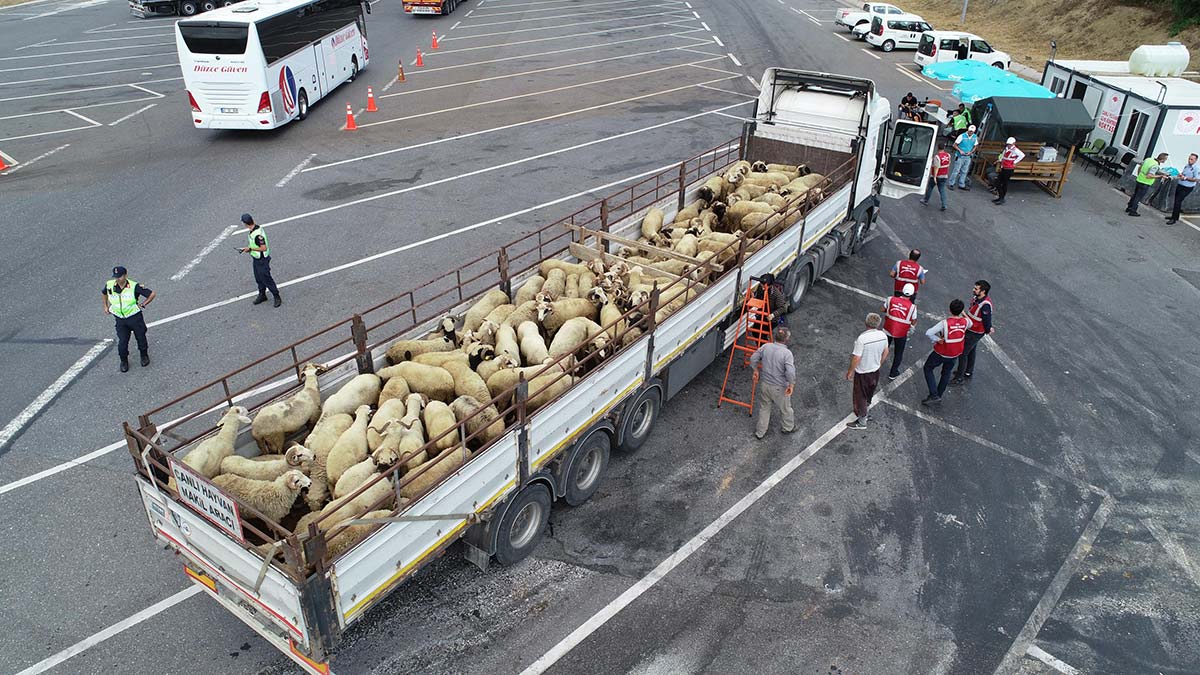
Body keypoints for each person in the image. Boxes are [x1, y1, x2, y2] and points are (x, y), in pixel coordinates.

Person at [103, 266, 156, 373]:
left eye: (120, 276)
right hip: (120, 319)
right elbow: (104, 293)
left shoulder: (134, 286)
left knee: (140, 337)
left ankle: (144, 355)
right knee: (122, 342)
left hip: (134, 317)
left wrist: (143, 304)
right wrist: (105, 306)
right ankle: (123, 361)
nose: (118, 279)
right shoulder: (110, 285)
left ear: (126, 275)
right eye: (116, 277)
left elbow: (151, 294)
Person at [750, 327, 796, 440]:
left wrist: (755, 370)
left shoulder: (766, 347)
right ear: (786, 339)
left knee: (764, 408)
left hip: (765, 384)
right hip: (779, 388)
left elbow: (753, 358)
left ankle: (760, 432)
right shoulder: (787, 353)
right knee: (785, 409)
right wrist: (791, 385)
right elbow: (790, 372)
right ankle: (788, 427)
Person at [845, 313, 889, 430]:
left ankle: (862, 421)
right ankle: (865, 410)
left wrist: (850, 371)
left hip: (863, 373)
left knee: (860, 396)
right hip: (875, 371)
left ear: (866, 323)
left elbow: (856, 358)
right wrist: (879, 363)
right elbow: (886, 351)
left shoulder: (862, 339)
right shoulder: (883, 335)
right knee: (869, 393)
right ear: (878, 324)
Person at [921, 298, 967, 405]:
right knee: (946, 373)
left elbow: (929, 333)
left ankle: (934, 394)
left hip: (942, 352)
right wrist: (964, 314)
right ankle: (939, 395)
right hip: (955, 353)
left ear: (950, 310)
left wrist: (938, 339)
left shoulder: (945, 323)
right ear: (961, 311)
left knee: (928, 368)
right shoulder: (965, 322)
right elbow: (970, 322)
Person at [952, 280, 993, 385]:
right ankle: (968, 371)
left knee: (963, 353)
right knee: (972, 350)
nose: (973, 290)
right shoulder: (977, 299)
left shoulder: (985, 305)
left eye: (976, 289)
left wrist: (988, 330)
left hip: (975, 332)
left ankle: (959, 377)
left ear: (983, 291)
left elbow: (987, 320)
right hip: (972, 329)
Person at [239, 214, 282, 307]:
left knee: (266, 278)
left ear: (246, 224)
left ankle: (276, 295)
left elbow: (264, 248)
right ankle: (262, 295)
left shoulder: (257, 235)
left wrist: (250, 249)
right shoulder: (254, 228)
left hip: (262, 260)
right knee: (258, 278)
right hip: (256, 258)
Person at [882, 283, 917, 380]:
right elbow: (913, 321)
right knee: (898, 353)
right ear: (912, 294)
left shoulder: (890, 299)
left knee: (882, 349)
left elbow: (882, 309)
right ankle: (893, 372)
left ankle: (875, 367)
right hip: (901, 333)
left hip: (887, 329)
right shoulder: (913, 307)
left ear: (902, 291)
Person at [1126, 152, 1168, 217]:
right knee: (1138, 197)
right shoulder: (1155, 165)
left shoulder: (1148, 159)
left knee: (1135, 194)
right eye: (1165, 159)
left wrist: (1139, 174)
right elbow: (1149, 176)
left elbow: (1140, 167)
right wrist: (1161, 176)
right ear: (1163, 159)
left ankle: (1129, 207)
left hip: (1139, 179)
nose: (1165, 161)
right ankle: (1133, 210)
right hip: (1145, 183)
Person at [992, 137, 1025, 206]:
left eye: (1010, 144)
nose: (1008, 145)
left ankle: (1002, 198)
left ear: (1013, 143)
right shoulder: (1007, 148)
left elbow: (1022, 155)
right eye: (1008, 144)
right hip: (1004, 167)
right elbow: (1003, 156)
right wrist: (999, 160)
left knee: (1004, 183)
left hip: (1009, 168)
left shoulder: (1015, 150)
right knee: (998, 182)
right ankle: (1000, 197)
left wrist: (1014, 162)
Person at [920, 143, 952, 211]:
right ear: (944, 148)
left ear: (938, 148)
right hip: (944, 176)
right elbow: (948, 164)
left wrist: (934, 177)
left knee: (930, 187)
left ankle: (926, 200)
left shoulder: (937, 157)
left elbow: (936, 167)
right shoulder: (948, 155)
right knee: (942, 190)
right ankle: (944, 204)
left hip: (937, 176)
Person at [1166, 153, 1196, 225]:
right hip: (1180, 185)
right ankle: (1175, 216)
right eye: (1189, 158)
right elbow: (1183, 173)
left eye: (1191, 159)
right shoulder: (1187, 166)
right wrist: (1181, 175)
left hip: (1187, 187)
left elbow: (1196, 179)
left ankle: (1173, 219)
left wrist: (1185, 178)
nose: (1189, 160)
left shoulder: (1196, 169)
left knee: (1177, 201)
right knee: (1176, 200)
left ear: (1195, 160)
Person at [949, 124, 978, 190]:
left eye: (972, 132)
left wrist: (971, 152)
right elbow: (955, 145)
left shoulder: (974, 137)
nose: (971, 132)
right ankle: (951, 183)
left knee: (964, 171)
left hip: (968, 156)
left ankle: (961, 184)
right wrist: (960, 150)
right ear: (968, 130)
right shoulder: (962, 136)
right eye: (970, 131)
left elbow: (975, 146)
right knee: (956, 170)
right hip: (960, 156)